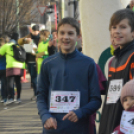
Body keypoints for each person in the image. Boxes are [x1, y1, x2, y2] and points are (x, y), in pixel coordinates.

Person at [37, 17, 101, 134]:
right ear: (56, 35)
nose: (66, 37)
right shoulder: (47, 63)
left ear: (78, 36)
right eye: (62, 33)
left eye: (70, 33)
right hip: (52, 129)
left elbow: (96, 99)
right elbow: (41, 95)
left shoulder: (89, 63)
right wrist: (45, 116)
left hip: (80, 129)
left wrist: (80, 112)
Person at [99, 9, 134, 134]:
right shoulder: (113, 61)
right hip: (109, 124)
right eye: (114, 27)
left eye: (123, 27)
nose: (117, 31)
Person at [0, 35, 25, 104]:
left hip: (11, 66)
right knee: (18, 82)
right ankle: (18, 98)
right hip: (20, 66)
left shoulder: (7, 46)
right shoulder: (19, 46)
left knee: (10, 82)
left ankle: (11, 98)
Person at [18, 25, 40, 100]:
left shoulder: (40, 39)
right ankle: (36, 93)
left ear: (38, 31)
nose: (34, 32)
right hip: (29, 61)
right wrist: (25, 41)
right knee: (33, 79)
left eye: (35, 31)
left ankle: (37, 94)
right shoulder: (28, 37)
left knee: (35, 78)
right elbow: (20, 42)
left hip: (36, 61)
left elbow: (38, 50)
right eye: (33, 31)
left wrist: (33, 49)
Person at [0, 38, 7, 103]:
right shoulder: (5, 49)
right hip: (4, 68)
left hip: (2, 68)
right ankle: (4, 97)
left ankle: (2, 96)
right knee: (4, 83)